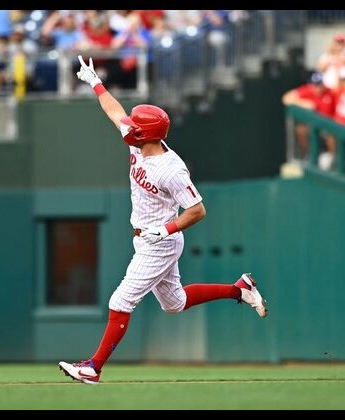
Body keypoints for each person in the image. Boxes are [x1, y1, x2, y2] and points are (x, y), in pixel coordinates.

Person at [58, 55, 267, 385]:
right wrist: (95, 82)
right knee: (175, 303)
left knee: (121, 300)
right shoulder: (141, 143)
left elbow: (198, 210)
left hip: (160, 241)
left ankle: (93, 367)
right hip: (146, 235)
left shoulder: (171, 169)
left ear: (149, 134)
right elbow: (115, 111)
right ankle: (239, 290)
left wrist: (165, 229)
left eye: (136, 128)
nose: (129, 129)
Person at [282, 72, 336, 159]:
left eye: (319, 84)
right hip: (312, 125)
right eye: (315, 84)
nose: (317, 87)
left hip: (327, 125)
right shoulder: (307, 90)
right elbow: (286, 98)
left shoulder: (330, 92)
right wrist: (304, 103)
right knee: (301, 130)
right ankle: (308, 156)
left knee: (333, 136)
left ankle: (333, 159)